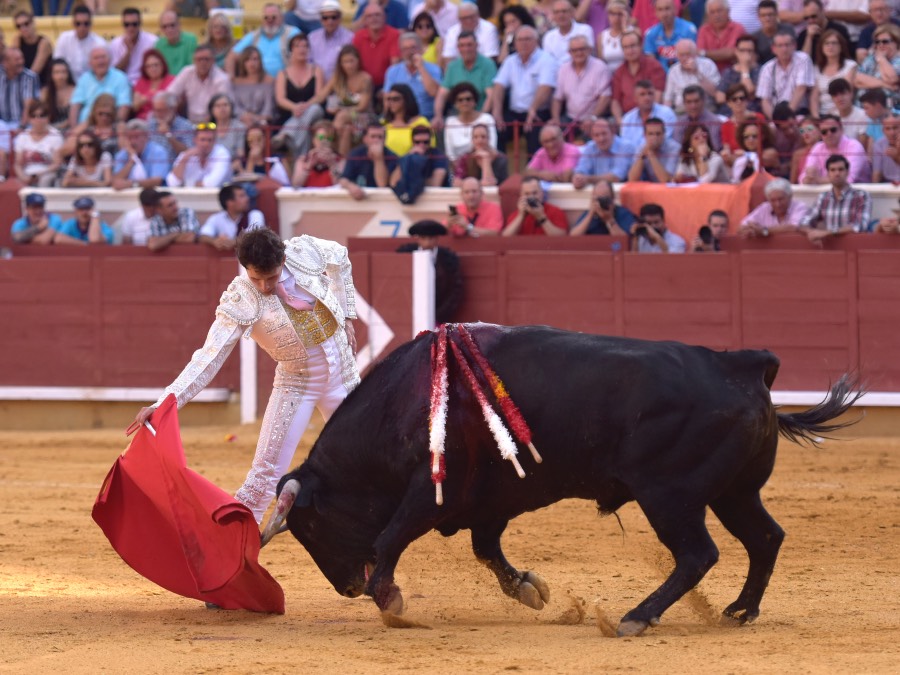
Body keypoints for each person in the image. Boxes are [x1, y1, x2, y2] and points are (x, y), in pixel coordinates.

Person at [132, 227, 361, 524]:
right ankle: (232, 548)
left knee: (363, 460)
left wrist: (346, 314)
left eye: (272, 276)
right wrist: (165, 402)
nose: (264, 286)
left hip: (343, 372)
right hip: (296, 384)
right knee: (264, 475)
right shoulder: (240, 297)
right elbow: (209, 356)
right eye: (256, 278)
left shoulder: (304, 251)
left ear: (283, 259)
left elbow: (341, 258)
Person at [492, 26, 558, 156]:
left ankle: (532, 175)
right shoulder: (510, 61)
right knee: (495, 131)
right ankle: (499, 173)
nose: (523, 43)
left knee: (536, 138)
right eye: (520, 40)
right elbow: (499, 86)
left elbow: (545, 87)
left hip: (538, 112)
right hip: (515, 112)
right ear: (515, 43)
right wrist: (497, 111)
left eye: (528, 39)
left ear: (536, 41)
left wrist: (533, 109)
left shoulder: (546, 59)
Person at [396, 220, 463, 325]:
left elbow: (455, 290)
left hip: (438, 312)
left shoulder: (448, 259)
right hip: (409, 311)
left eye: (430, 238)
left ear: (437, 239)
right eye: (423, 238)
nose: (427, 243)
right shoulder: (405, 255)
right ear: (418, 239)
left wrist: (439, 315)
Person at [272, 34, 325, 159]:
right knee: (304, 129)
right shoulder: (283, 74)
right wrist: (295, 107)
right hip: (292, 114)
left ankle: (285, 134)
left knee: (313, 109)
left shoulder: (316, 70)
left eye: (305, 46)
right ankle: (300, 157)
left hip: (313, 109)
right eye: (298, 46)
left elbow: (319, 96)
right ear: (291, 50)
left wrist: (306, 106)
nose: (302, 49)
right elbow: (280, 99)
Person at [432, 31, 497, 133]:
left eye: (469, 45)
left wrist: (480, 118)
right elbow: (441, 94)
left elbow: (490, 95)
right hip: (457, 114)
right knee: (439, 126)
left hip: (479, 111)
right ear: (458, 48)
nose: (466, 49)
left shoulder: (488, 64)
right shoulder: (452, 66)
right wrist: (438, 116)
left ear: (476, 46)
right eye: (462, 46)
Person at [799, 154, 872, 243]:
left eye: (840, 169)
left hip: (853, 245)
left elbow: (861, 226)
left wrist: (826, 233)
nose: (837, 173)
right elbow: (804, 222)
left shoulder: (861, 196)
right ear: (828, 174)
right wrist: (812, 233)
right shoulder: (823, 197)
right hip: (829, 249)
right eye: (832, 170)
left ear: (847, 172)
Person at [551, 36, 613, 131]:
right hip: (570, 118)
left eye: (582, 49)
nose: (579, 53)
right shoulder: (564, 69)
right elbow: (557, 98)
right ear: (569, 52)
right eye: (574, 50)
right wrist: (556, 119)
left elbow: (605, 97)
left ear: (589, 50)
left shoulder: (600, 67)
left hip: (595, 118)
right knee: (552, 134)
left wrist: (593, 118)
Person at [322, 45, 373, 158]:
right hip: (344, 121)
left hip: (363, 116)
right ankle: (342, 160)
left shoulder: (365, 79)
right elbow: (321, 95)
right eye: (345, 62)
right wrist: (306, 105)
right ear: (340, 64)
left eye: (351, 61)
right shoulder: (337, 78)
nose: (349, 65)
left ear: (358, 61)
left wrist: (343, 110)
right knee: (346, 129)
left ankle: (327, 146)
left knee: (342, 116)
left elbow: (362, 106)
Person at [611, 29, 667, 127]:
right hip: (627, 119)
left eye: (633, 46)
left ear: (641, 45)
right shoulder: (619, 72)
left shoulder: (654, 66)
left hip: (652, 117)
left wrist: (649, 118)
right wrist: (620, 120)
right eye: (626, 47)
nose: (630, 50)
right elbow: (615, 101)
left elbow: (658, 94)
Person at [227, 4, 300, 79]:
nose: (270, 20)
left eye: (273, 17)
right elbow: (231, 56)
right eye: (266, 17)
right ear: (262, 20)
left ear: (281, 18)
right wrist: (231, 78)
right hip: (259, 83)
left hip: (285, 81)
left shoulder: (292, 33)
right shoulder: (254, 36)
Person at [757, 29, 815, 118]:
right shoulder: (767, 68)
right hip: (776, 116)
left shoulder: (803, 59)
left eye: (787, 45)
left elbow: (801, 88)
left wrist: (787, 116)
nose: (784, 49)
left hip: (799, 113)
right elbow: (765, 100)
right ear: (773, 49)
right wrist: (776, 120)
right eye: (780, 46)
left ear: (794, 46)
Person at [69, 47, 132, 128]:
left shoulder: (120, 77)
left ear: (109, 60)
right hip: (85, 127)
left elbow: (124, 106)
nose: (100, 61)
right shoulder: (84, 78)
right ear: (90, 63)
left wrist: (114, 129)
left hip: (110, 126)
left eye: (103, 57)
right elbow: (75, 106)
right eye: (96, 58)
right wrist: (74, 130)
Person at [167, 45, 232, 124]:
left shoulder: (222, 79)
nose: (202, 62)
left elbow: (223, 106)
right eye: (199, 59)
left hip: (214, 122)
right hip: (188, 122)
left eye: (206, 59)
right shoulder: (186, 72)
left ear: (213, 61)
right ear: (194, 61)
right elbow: (169, 94)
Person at [384, 32, 442, 120]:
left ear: (421, 49)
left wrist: (421, 68)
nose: (409, 52)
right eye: (405, 49)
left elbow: (434, 92)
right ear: (401, 52)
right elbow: (387, 99)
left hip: (427, 118)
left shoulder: (434, 69)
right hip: (401, 120)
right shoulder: (392, 71)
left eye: (413, 48)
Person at [799, 114, 870, 184]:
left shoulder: (854, 146)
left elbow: (847, 180)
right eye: (824, 132)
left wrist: (818, 180)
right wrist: (808, 178)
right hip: (826, 193)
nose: (829, 134)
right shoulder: (818, 147)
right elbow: (802, 178)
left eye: (833, 130)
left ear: (841, 130)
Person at [339, 122, 401, 200]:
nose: (376, 140)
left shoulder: (391, 157)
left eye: (380, 137)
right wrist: (351, 187)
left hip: (382, 200)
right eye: (373, 137)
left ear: (385, 140)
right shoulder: (355, 154)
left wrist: (378, 159)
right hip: (360, 198)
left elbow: (382, 185)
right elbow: (344, 179)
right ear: (365, 139)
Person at [352, 2, 401, 92]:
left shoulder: (394, 34)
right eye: (369, 16)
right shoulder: (358, 37)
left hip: (386, 85)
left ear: (384, 17)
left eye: (377, 15)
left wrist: (387, 89)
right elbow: (353, 65)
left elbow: (395, 65)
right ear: (365, 20)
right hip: (363, 86)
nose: (374, 19)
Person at [199, 184, 266, 251]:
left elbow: (255, 236)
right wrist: (214, 241)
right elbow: (203, 236)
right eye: (242, 196)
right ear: (230, 202)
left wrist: (234, 242)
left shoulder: (255, 214)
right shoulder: (216, 218)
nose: (247, 199)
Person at [443, 82, 497, 163]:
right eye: (460, 100)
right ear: (455, 104)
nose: (464, 103)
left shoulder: (487, 119)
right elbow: (450, 154)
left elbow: (492, 148)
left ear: (475, 101)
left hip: (484, 163)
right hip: (458, 168)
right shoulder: (450, 122)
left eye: (468, 99)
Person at [663, 40, 721, 115]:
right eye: (682, 55)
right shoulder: (673, 71)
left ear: (695, 53)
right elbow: (668, 99)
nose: (685, 58)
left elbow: (715, 93)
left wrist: (696, 72)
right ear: (677, 55)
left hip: (706, 110)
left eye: (688, 54)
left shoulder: (708, 65)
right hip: (681, 112)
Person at [572, 118, 634, 187]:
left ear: (612, 132)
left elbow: (616, 177)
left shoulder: (626, 147)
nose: (601, 139)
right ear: (592, 136)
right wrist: (578, 178)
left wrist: (587, 179)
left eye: (604, 134)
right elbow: (581, 170)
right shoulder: (590, 147)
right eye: (596, 135)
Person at [13, 100, 62, 188]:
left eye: (42, 116)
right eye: (34, 116)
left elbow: (57, 163)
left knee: (45, 180)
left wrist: (39, 174)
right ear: (29, 119)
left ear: (48, 117)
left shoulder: (55, 136)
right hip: (27, 174)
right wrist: (23, 177)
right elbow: (18, 164)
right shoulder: (22, 137)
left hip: (47, 173)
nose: (38, 119)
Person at [112, 119, 171, 190]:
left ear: (146, 137)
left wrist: (131, 184)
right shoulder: (122, 154)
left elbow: (157, 180)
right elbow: (115, 182)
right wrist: (131, 162)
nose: (133, 141)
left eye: (136, 137)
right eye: (130, 137)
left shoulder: (158, 152)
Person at [739, 177, 811, 237]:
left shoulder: (800, 207)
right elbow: (741, 227)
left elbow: (794, 227)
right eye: (773, 200)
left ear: (790, 196)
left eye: (781, 199)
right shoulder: (764, 207)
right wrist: (750, 229)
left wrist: (764, 231)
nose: (778, 204)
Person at [166, 124, 232, 188]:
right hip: (191, 197)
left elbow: (211, 184)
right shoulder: (187, 154)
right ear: (195, 140)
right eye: (202, 140)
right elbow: (172, 183)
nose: (206, 144)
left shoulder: (222, 153)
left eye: (210, 140)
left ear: (215, 142)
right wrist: (185, 158)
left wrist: (188, 185)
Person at [810, 31, 857, 118]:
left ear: (841, 47)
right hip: (821, 114)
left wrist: (831, 116)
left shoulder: (850, 65)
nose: (830, 46)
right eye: (826, 43)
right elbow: (814, 98)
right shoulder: (816, 68)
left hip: (841, 113)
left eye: (834, 43)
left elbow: (846, 93)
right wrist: (816, 118)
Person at [53, 7, 107, 81]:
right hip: (67, 83)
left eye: (86, 23)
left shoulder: (99, 43)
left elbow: (101, 71)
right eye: (78, 24)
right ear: (73, 23)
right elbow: (57, 63)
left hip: (91, 83)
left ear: (91, 24)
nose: (82, 27)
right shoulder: (64, 39)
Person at [502, 176, 569, 236]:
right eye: (527, 194)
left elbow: (561, 237)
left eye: (535, 193)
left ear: (542, 193)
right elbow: (505, 238)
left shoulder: (555, 211)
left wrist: (541, 218)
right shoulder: (516, 215)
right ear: (521, 195)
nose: (531, 197)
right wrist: (521, 216)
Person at [440, 1, 499, 69]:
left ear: (478, 15)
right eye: (465, 18)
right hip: (459, 71)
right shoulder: (452, 32)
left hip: (482, 70)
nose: (468, 21)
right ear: (459, 19)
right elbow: (448, 58)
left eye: (471, 17)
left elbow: (490, 58)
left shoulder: (489, 29)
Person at [109, 7, 159, 87]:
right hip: (122, 84)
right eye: (127, 24)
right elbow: (114, 73)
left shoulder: (152, 41)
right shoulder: (115, 44)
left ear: (140, 23)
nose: (130, 28)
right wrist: (128, 53)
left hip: (145, 83)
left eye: (134, 24)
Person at [643, 0, 698, 72]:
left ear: (675, 9)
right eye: (660, 10)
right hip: (661, 77)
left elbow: (694, 58)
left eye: (667, 8)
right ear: (655, 13)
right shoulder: (650, 34)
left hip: (686, 74)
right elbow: (651, 64)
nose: (664, 14)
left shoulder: (689, 29)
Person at [855, 24, 900, 110]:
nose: (881, 44)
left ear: (896, 42)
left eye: (885, 41)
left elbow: (892, 79)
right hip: (862, 109)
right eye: (877, 42)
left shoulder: (898, 60)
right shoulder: (871, 58)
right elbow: (857, 79)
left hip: (890, 112)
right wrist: (884, 84)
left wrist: (881, 59)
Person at [620, 80, 677, 147]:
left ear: (654, 95)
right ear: (635, 98)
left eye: (650, 93)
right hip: (634, 156)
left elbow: (663, 141)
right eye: (642, 94)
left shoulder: (667, 113)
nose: (647, 98)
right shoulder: (628, 118)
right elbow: (625, 145)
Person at [308, 0, 354, 82]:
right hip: (315, 84)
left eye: (334, 17)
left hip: (340, 84)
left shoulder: (349, 38)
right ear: (321, 20)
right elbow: (307, 64)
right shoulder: (312, 37)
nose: (330, 21)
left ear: (340, 18)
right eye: (325, 18)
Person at [697, 0, 747, 74]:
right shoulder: (703, 30)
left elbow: (730, 53)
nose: (716, 15)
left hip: (733, 73)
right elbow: (700, 57)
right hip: (708, 74)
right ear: (708, 15)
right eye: (712, 12)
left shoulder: (738, 28)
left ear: (728, 11)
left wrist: (705, 53)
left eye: (719, 11)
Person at [569, 180, 635, 236]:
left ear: (612, 199)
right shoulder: (589, 214)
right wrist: (590, 215)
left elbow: (625, 241)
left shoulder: (622, 213)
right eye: (598, 199)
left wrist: (609, 220)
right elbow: (573, 237)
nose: (600, 203)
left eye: (604, 199)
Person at [232, 46, 275, 129]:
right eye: (247, 60)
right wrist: (245, 116)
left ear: (260, 61)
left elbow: (269, 108)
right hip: (241, 121)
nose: (252, 63)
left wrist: (256, 119)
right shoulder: (236, 82)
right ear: (243, 62)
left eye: (255, 59)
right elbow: (235, 106)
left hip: (263, 122)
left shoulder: (269, 80)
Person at [291, 119, 344, 187]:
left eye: (329, 138)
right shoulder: (303, 160)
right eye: (321, 137)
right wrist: (309, 166)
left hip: (330, 197)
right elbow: (296, 185)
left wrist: (332, 165)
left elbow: (341, 186)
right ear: (313, 140)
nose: (324, 142)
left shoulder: (340, 160)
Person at [627, 116, 681, 182]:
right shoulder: (641, 148)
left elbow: (666, 180)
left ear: (664, 134)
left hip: (670, 189)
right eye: (650, 134)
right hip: (650, 189)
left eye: (658, 134)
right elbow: (632, 180)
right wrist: (642, 156)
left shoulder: (674, 148)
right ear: (645, 135)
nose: (654, 137)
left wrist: (650, 154)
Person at [382, 83, 430, 156]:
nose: (391, 102)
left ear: (406, 100)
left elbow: (429, 148)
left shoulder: (421, 123)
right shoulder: (383, 123)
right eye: (389, 99)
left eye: (395, 99)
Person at [542, 0, 595, 64]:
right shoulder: (549, 37)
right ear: (553, 16)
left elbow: (587, 55)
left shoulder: (585, 30)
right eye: (557, 12)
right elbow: (549, 62)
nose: (561, 15)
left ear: (572, 13)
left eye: (564, 11)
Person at [147, 91, 194, 164]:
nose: (157, 114)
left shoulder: (185, 126)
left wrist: (168, 135)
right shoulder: (152, 123)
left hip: (175, 167)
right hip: (153, 165)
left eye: (161, 110)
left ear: (173, 109)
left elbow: (189, 153)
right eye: (155, 110)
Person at [672, 85, 723, 150]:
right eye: (689, 102)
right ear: (684, 103)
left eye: (696, 101)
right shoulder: (680, 123)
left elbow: (716, 148)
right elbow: (677, 148)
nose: (693, 106)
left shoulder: (714, 122)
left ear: (703, 101)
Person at [0, 48, 40, 128]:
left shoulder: (29, 77)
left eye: (22, 58)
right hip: (2, 123)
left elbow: (28, 107)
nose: (21, 62)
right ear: (5, 63)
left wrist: (21, 127)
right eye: (17, 60)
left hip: (22, 123)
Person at [10, 11, 52, 87]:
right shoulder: (18, 40)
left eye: (26, 24)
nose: (23, 28)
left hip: (43, 83)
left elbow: (34, 72)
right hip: (25, 83)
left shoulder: (43, 43)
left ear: (33, 23)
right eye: (18, 26)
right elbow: (12, 66)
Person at [132, 50, 174, 121]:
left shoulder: (171, 80)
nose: (153, 69)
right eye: (148, 66)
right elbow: (135, 107)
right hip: (142, 121)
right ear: (144, 69)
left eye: (156, 65)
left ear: (163, 65)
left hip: (165, 120)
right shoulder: (141, 82)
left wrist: (146, 98)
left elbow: (172, 104)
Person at [154, 11, 198, 77]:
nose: (169, 29)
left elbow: (193, 67)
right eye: (164, 27)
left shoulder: (191, 40)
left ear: (179, 25)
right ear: (161, 29)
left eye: (172, 25)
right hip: (167, 83)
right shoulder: (158, 45)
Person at [752, 0, 795, 64]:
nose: (767, 18)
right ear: (758, 17)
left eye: (770, 14)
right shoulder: (755, 37)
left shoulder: (788, 30)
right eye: (763, 15)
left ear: (776, 14)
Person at [827, 78, 869, 142]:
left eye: (843, 93)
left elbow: (862, 147)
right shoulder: (831, 116)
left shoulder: (863, 115)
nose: (840, 98)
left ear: (851, 94)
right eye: (835, 95)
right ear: (832, 99)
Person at [42, 60, 75, 133]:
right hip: (48, 129)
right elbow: (41, 114)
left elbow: (74, 116)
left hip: (70, 129)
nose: (61, 76)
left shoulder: (75, 90)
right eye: (57, 72)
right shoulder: (45, 92)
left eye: (64, 72)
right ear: (51, 74)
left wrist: (58, 128)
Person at [598, 0, 631, 72]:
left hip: (627, 73)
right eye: (613, 14)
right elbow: (601, 62)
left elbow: (631, 54)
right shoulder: (602, 36)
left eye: (620, 14)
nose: (616, 17)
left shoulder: (632, 32)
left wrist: (624, 27)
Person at [871, 114, 900, 183]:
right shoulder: (879, 145)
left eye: (895, 128)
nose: (892, 133)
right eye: (888, 129)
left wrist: (897, 158)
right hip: (888, 184)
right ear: (883, 130)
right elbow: (877, 174)